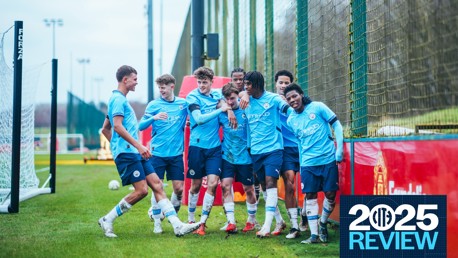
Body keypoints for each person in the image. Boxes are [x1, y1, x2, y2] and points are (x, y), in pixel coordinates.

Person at [98, 65, 200, 238]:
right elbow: (116, 126)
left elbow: (105, 129)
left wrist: (118, 146)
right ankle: (107, 219)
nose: (137, 82)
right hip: (130, 153)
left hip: (134, 152)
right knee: (142, 191)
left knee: (158, 185)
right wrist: (132, 147)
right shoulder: (118, 100)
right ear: (125, 80)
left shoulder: (120, 99)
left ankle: (177, 226)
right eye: (135, 79)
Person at [284, 83, 343, 244]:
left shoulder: (318, 107)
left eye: (294, 96)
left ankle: (322, 222)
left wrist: (339, 150)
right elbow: (300, 143)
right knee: (310, 196)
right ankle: (314, 235)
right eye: (289, 98)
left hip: (328, 159)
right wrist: (302, 164)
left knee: (330, 194)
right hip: (308, 163)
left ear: (301, 95)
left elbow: (336, 124)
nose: (292, 100)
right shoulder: (291, 120)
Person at [242, 71, 292, 238]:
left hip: (274, 149)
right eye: (245, 84)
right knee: (264, 185)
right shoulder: (245, 102)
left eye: (248, 84)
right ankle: (279, 221)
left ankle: (266, 226)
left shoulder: (273, 99)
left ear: (257, 85)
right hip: (256, 151)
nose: (245, 87)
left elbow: (288, 110)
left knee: (271, 183)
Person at [138, 74, 187, 234]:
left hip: (176, 155)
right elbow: (141, 126)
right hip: (158, 154)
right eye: (159, 88)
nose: (161, 91)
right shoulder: (154, 105)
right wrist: (154, 117)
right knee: (156, 188)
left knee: (179, 189)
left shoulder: (183, 104)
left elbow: (192, 117)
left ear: (172, 86)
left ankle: (172, 215)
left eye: (164, 87)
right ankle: (157, 223)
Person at [186, 66, 231, 235]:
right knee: (195, 186)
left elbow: (232, 95)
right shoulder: (192, 97)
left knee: (212, 184)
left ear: (211, 82)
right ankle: (191, 219)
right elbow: (198, 119)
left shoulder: (218, 94)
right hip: (197, 147)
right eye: (199, 82)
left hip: (214, 149)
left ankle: (202, 223)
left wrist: (229, 110)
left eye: (205, 82)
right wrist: (221, 109)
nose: (201, 86)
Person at [218, 82, 258, 233]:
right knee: (225, 186)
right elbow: (216, 101)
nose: (230, 101)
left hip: (245, 157)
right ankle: (231, 222)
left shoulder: (246, 110)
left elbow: (249, 96)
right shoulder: (222, 112)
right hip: (227, 156)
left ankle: (251, 220)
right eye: (227, 99)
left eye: (232, 98)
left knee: (248, 189)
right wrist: (228, 110)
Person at [273, 70, 305, 239]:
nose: (283, 86)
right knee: (290, 183)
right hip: (284, 149)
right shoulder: (271, 100)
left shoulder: (299, 101)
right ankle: (294, 225)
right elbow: (243, 92)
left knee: (308, 186)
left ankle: (306, 214)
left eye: (286, 83)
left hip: (303, 147)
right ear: (276, 85)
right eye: (281, 83)